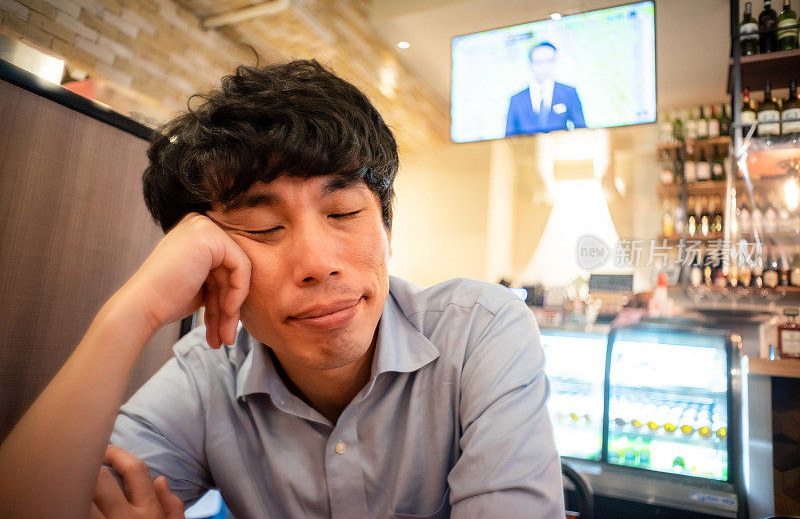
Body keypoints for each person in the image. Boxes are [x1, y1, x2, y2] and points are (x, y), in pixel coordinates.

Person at [0, 60, 564, 518]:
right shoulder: (208, 375)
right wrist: (130, 313)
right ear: (210, 262)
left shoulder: (479, 330)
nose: (319, 263)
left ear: (385, 227)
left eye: (343, 211)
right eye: (264, 228)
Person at [505, 42, 586, 136]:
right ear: (530, 64)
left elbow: (582, 131)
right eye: (538, 62)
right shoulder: (516, 99)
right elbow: (508, 139)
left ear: (554, 63)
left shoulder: (568, 93)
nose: (543, 67)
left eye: (548, 61)